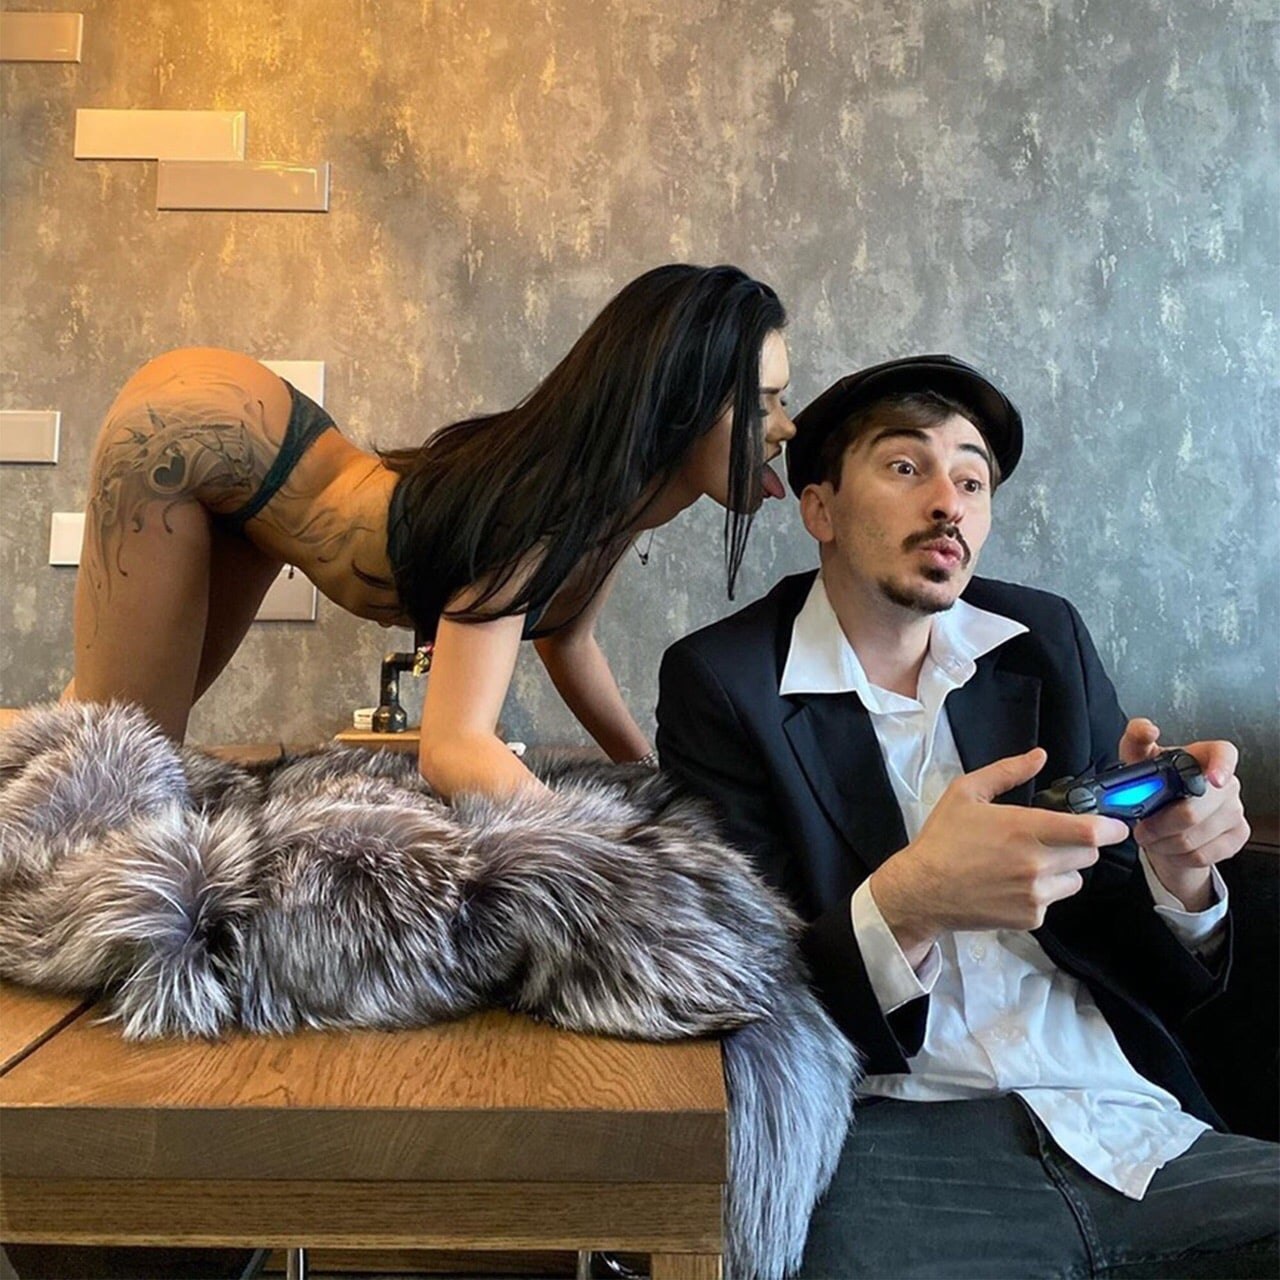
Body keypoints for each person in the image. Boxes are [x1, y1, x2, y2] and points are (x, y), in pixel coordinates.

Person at [656, 355, 1277, 1278]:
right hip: (890, 1134)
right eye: (907, 466)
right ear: (820, 509)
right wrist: (908, 904)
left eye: (973, 480)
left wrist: (1181, 875)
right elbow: (741, 985)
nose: (949, 501)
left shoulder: (1044, 641)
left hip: (1125, 1117)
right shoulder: (724, 682)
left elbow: (1125, 930)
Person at [66, 263, 796, 797]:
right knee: (116, 768)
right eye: (764, 402)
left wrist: (650, 782)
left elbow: (568, 642)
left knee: (106, 737)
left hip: (251, 465)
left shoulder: (605, 509)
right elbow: (454, 747)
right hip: (191, 434)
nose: (785, 427)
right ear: (681, 402)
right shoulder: (536, 515)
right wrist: (611, 866)